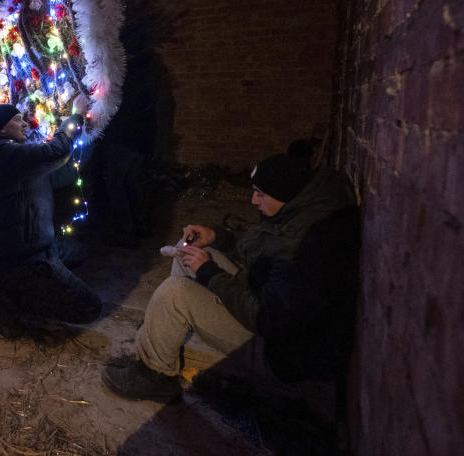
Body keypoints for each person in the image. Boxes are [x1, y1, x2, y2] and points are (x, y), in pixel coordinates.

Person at [102, 152, 358, 402]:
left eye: (261, 194)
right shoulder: (302, 212)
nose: (254, 201)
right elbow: (259, 247)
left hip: (281, 354)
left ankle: (155, 376)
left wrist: (210, 274)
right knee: (194, 253)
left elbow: (264, 317)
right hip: (269, 306)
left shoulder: (304, 248)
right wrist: (215, 236)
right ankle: (157, 340)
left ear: (284, 195)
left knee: (175, 292)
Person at [0, 102, 102, 340]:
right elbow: (55, 152)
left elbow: (60, 173)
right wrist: (75, 116)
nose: (25, 124)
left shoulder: (19, 158)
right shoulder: (3, 153)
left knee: (78, 252)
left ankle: (28, 290)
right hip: (20, 257)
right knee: (90, 307)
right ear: (2, 128)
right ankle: (8, 300)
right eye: (18, 119)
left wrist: (87, 142)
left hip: (37, 246)